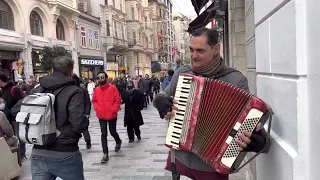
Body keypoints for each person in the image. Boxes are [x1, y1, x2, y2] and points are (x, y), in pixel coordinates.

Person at [153, 28, 271, 180]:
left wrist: (257, 140)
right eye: (191, 50)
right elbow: (164, 95)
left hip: (211, 166)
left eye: (200, 51)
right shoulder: (183, 72)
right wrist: (160, 102)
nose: (194, 56)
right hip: (180, 158)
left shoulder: (235, 80)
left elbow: (248, 122)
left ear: (216, 49)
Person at [29, 56, 88, 180]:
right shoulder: (74, 91)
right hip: (65, 152)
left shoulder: (38, 88)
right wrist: (85, 120)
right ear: (71, 72)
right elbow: (78, 123)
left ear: (52, 70)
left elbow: (16, 110)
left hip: (38, 150)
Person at [92, 72, 122, 163]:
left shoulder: (113, 88)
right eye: (99, 77)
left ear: (106, 78)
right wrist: (97, 109)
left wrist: (114, 109)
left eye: (102, 77)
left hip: (112, 114)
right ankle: (105, 154)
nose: (100, 79)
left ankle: (118, 141)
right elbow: (94, 101)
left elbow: (117, 99)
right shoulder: (97, 90)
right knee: (103, 134)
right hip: (101, 115)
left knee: (113, 131)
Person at [0, 73, 25, 159]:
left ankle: (21, 153)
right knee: (11, 135)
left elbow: (22, 101)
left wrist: (12, 111)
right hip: (7, 116)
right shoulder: (2, 90)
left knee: (19, 135)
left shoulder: (14, 89)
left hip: (16, 117)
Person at [72, 74, 92, 149]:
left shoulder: (82, 89)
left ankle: (88, 141)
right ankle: (74, 143)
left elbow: (87, 101)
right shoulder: (69, 89)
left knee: (84, 128)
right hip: (73, 112)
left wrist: (87, 113)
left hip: (82, 112)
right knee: (73, 129)